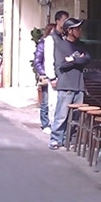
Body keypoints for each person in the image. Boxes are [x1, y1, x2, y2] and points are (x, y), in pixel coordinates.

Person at [48, 17, 91, 150]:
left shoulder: (82, 45)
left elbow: (87, 59)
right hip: (66, 85)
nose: (79, 31)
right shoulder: (60, 45)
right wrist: (78, 59)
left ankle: (69, 139)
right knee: (61, 115)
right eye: (77, 28)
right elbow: (62, 64)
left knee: (76, 116)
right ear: (69, 30)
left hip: (79, 85)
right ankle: (55, 139)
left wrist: (73, 59)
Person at [43, 10, 70, 138]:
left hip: (64, 76)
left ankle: (61, 131)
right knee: (54, 103)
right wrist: (52, 77)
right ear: (58, 21)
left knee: (62, 105)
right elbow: (49, 59)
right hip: (55, 76)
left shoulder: (64, 37)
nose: (66, 23)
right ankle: (54, 131)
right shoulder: (51, 38)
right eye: (64, 20)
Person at [33, 23, 57, 134]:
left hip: (54, 76)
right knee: (45, 101)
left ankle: (52, 123)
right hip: (46, 76)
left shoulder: (58, 43)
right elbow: (37, 61)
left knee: (53, 101)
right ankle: (45, 124)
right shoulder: (43, 44)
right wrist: (44, 73)